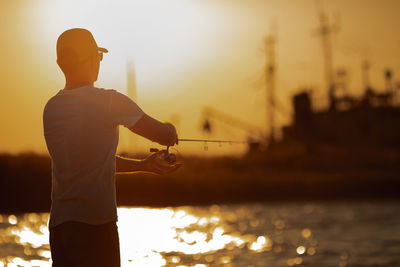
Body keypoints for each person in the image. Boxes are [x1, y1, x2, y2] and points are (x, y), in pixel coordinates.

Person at [43, 28, 181, 267]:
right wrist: (170, 129)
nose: (99, 62)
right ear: (91, 59)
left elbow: (94, 161)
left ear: (60, 63)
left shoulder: (51, 109)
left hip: (61, 230)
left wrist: (143, 165)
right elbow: (162, 135)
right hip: (97, 228)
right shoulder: (109, 101)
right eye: (98, 56)